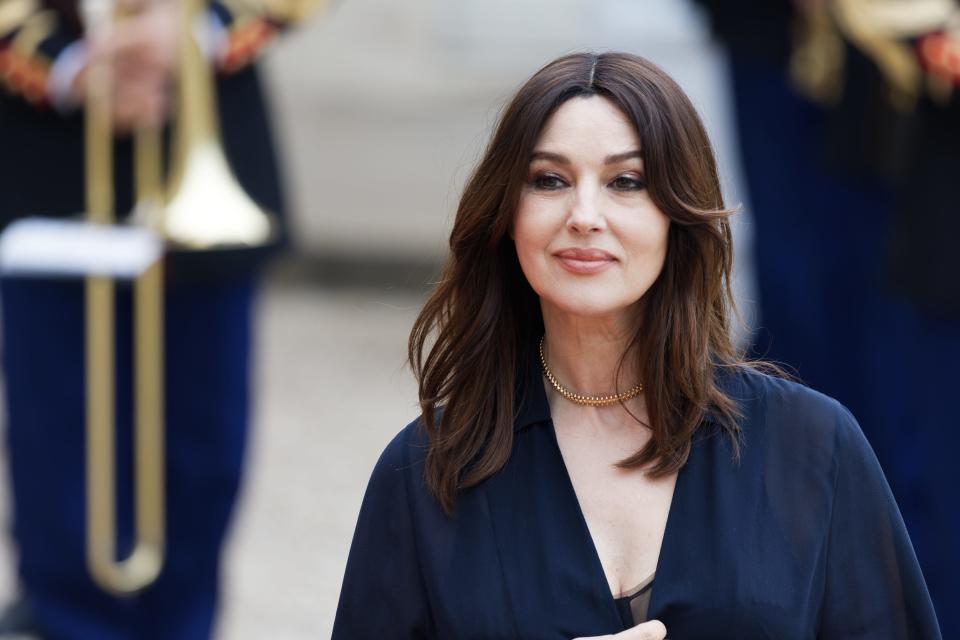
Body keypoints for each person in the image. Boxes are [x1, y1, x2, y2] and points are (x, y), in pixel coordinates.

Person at [332, 52, 941, 639]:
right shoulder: (425, 470)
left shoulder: (815, 447)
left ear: (678, 215)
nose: (585, 214)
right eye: (549, 180)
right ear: (505, 215)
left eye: (626, 181)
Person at [0, 0, 323, 637]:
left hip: (210, 138)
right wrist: (69, 69)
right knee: (57, 437)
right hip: (46, 159)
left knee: (202, 443)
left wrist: (197, 34)